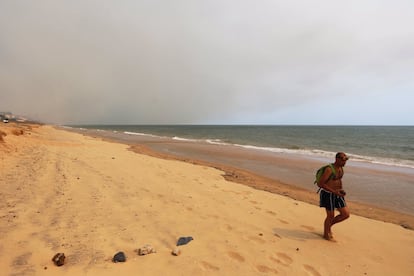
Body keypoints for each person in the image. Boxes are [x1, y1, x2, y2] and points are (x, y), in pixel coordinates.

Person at [318, 152, 350, 241]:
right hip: (328, 194)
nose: (345, 162)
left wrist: (341, 189)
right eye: (343, 160)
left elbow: (339, 180)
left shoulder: (341, 169)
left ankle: (328, 227)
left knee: (345, 214)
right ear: (337, 159)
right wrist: (334, 191)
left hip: (338, 194)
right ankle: (326, 234)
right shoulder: (329, 169)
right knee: (330, 216)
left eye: (346, 160)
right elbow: (320, 183)